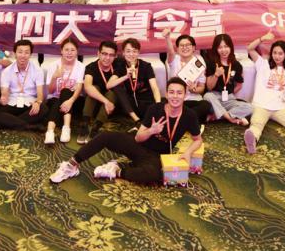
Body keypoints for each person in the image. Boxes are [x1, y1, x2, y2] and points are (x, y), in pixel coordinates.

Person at [49, 78, 203, 185]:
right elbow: (138, 138)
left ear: (185, 95)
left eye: (179, 93)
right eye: (171, 92)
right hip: (138, 144)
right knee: (105, 136)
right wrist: (151, 130)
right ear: (166, 94)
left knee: (153, 175)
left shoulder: (189, 115)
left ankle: (116, 170)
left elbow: (198, 139)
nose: (175, 96)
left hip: (157, 156)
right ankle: (71, 166)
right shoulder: (155, 109)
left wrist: (188, 153)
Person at [0, 39, 49, 130]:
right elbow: (4, 92)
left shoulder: (37, 70)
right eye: (20, 52)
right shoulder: (7, 71)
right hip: (12, 103)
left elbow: (40, 94)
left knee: (43, 108)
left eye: (26, 52)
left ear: (30, 54)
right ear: (15, 54)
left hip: (29, 104)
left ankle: (5, 123)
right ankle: (29, 126)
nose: (23, 55)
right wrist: (4, 97)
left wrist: (38, 103)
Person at [43, 38, 86, 144]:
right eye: (66, 50)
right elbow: (50, 91)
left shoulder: (81, 67)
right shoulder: (53, 66)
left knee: (65, 91)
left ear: (77, 51)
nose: (69, 53)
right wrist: (54, 77)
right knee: (59, 99)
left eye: (72, 50)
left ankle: (64, 128)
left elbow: (79, 87)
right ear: (61, 51)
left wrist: (70, 101)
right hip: (55, 99)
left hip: (74, 100)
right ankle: (51, 132)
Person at [203, 33, 252, 126]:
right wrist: (216, 75)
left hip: (229, 99)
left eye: (226, 46)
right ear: (216, 49)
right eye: (220, 47)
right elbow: (209, 87)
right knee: (207, 96)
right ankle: (231, 118)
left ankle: (217, 116)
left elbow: (239, 85)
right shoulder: (211, 63)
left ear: (231, 47)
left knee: (249, 107)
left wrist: (230, 93)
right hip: (214, 97)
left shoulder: (236, 65)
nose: (223, 50)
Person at [112, 38, 163, 126]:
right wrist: (125, 76)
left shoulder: (146, 66)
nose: (131, 54)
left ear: (138, 53)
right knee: (117, 87)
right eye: (128, 51)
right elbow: (109, 85)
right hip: (130, 104)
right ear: (123, 53)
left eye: (134, 51)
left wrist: (157, 105)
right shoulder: (121, 66)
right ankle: (137, 120)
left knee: (156, 112)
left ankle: (142, 121)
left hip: (145, 100)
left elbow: (154, 88)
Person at [165, 32, 214, 122]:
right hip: (176, 99)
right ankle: (189, 119)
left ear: (193, 48)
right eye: (181, 45)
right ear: (177, 49)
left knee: (206, 105)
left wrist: (193, 89)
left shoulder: (198, 64)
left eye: (188, 45)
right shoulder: (174, 60)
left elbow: (202, 88)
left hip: (193, 99)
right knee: (162, 104)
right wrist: (167, 38)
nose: (185, 47)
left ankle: (180, 118)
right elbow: (170, 52)